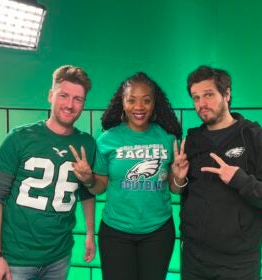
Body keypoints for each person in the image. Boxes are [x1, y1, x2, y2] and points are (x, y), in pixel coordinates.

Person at [70, 72, 189, 280]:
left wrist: (179, 177)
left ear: (154, 104)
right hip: (116, 232)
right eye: (131, 100)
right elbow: (100, 187)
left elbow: (175, 189)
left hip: (158, 231)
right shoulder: (108, 139)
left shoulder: (167, 137)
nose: (139, 107)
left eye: (146, 100)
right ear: (122, 103)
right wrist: (88, 179)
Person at [180, 65, 262, 280]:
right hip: (193, 258)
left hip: (238, 264)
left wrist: (240, 180)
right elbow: (189, 195)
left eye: (208, 95)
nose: (201, 104)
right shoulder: (192, 140)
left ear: (226, 94)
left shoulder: (255, 137)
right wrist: (179, 180)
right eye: (196, 98)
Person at [0, 65, 96, 280]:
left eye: (78, 99)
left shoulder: (86, 144)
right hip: (16, 258)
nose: (70, 105)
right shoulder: (19, 138)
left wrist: (90, 234)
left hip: (59, 256)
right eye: (64, 96)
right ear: (50, 96)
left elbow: (87, 193)